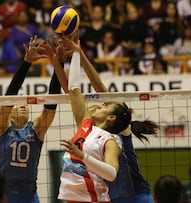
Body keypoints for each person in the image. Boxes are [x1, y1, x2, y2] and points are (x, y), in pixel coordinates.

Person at [76, 36, 160, 203]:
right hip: (111, 195)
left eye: (103, 106)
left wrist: (80, 56)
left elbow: (100, 88)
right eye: (98, 106)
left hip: (137, 194)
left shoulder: (120, 126)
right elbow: (73, 95)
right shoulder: (91, 131)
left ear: (112, 116)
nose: (100, 106)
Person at [55, 32, 128, 203]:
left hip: (93, 200)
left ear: (111, 118)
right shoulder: (86, 124)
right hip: (71, 199)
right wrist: (75, 53)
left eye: (107, 106)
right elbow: (74, 89)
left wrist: (83, 157)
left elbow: (111, 174)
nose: (102, 104)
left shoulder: (111, 140)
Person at [0, 36, 62, 203]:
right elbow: (9, 97)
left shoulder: (37, 129)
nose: (23, 105)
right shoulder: (0, 128)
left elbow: (50, 105)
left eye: (26, 103)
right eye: (18, 103)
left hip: (30, 196)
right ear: (10, 111)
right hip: (3, 196)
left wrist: (58, 65)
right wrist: (26, 63)